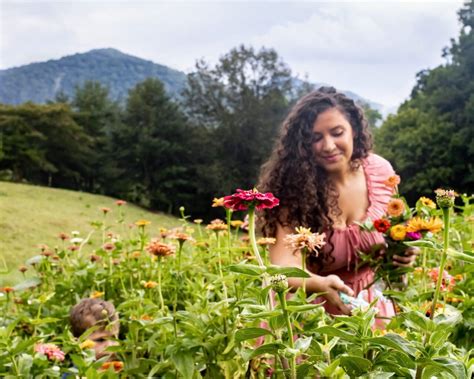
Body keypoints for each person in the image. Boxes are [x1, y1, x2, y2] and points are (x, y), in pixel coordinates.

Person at [258, 87, 418, 317]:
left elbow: (395, 234)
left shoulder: (380, 171)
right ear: (303, 145)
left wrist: (403, 253)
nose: (328, 145)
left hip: (370, 306)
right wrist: (318, 284)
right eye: (315, 138)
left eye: (337, 132)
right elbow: (282, 268)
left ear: (353, 130)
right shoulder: (291, 189)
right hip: (309, 312)